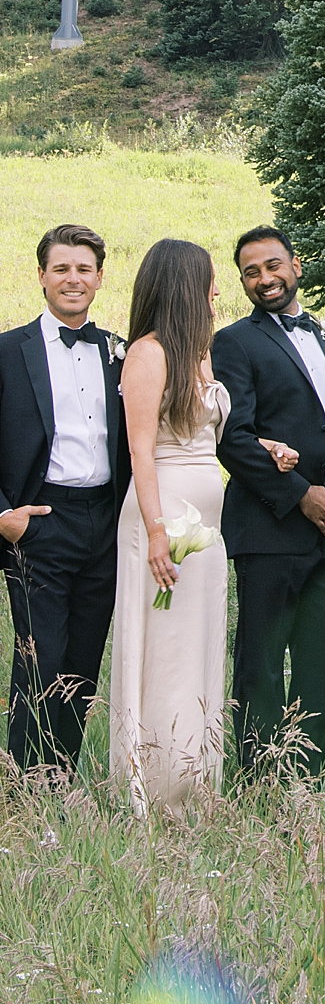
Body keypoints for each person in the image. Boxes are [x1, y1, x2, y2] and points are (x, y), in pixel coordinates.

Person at [215, 226, 325, 778]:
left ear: (296, 266)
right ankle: (257, 783)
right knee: (261, 663)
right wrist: (302, 495)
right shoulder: (235, 342)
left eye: (273, 265)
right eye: (251, 272)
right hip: (269, 527)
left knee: (322, 664)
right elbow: (233, 437)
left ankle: (306, 783)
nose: (264, 279)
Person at [109, 240, 236, 812]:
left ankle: (194, 778)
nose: (217, 291)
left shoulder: (199, 354)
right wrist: (157, 531)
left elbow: (208, 437)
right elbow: (141, 451)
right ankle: (157, 785)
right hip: (161, 518)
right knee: (164, 647)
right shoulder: (148, 354)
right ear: (185, 286)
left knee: (198, 645)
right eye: (209, 281)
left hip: (205, 528)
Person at [0, 223, 128, 774]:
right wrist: (5, 516)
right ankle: (24, 783)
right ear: (41, 276)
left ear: (99, 278)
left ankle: (61, 776)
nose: (72, 279)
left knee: (82, 660)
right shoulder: (8, 351)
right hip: (40, 519)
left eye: (83, 269)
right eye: (61, 269)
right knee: (40, 658)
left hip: (106, 521)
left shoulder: (121, 352)